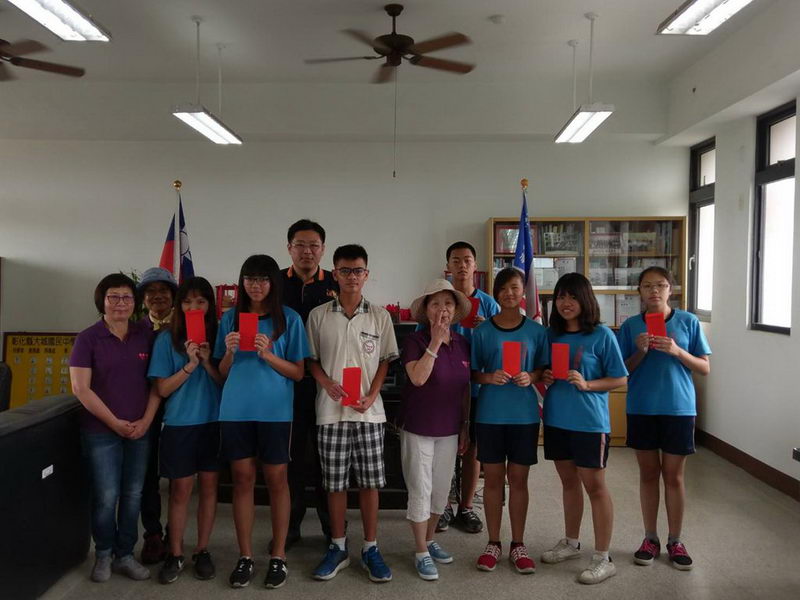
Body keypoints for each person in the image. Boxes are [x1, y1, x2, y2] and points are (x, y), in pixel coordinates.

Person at [213, 255, 309, 589]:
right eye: (250, 278)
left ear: (273, 282)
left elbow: (298, 373)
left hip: (275, 412)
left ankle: (278, 555)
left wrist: (268, 354)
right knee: (242, 480)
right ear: (242, 282)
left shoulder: (289, 319)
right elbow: (221, 373)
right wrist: (229, 352)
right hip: (235, 410)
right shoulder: (230, 319)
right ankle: (245, 556)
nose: (256, 285)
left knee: (277, 480)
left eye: (263, 278)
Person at [306, 244, 399, 583]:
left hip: (368, 414)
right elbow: (311, 360)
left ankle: (371, 547)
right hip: (330, 413)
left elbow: (385, 360)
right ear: (335, 274)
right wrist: (326, 383)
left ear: (366, 274)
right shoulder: (318, 316)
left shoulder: (379, 316)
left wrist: (372, 394)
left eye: (357, 270)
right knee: (335, 484)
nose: (351, 277)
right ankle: (338, 546)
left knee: (371, 483)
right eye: (345, 271)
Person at [617, 266, 711, 571]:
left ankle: (675, 540)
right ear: (640, 292)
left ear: (671, 289)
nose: (654, 291)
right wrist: (641, 351)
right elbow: (621, 371)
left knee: (674, 476)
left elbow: (704, 367)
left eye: (660, 285)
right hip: (642, 407)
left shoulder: (688, 321)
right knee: (648, 475)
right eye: (647, 286)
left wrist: (677, 350)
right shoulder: (630, 326)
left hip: (678, 408)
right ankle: (650, 538)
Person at [69, 273, 161, 583]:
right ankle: (104, 554)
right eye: (113, 297)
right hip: (100, 431)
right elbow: (81, 389)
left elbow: (156, 385)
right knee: (106, 495)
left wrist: (146, 421)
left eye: (126, 297)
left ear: (135, 303)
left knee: (133, 494)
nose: (121, 303)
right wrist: (114, 423)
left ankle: (125, 554)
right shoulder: (88, 338)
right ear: (102, 301)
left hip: (140, 430)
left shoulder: (145, 335)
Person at [539, 273, 628, 585]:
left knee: (595, 487)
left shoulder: (601, 335)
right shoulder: (551, 335)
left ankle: (603, 557)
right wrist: (545, 376)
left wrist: (588, 384)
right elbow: (542, 370)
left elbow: (620, 378)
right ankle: (571, 542)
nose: (566, 303)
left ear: (585, 300)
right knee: (568, 483)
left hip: (590, 423)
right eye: (561, 297)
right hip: (556, 419)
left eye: (573, 297)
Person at [470, 267, 549, 574]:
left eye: (515, 288)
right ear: (496, 294)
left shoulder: (536, 332)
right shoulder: (483, 332)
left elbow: (544, 369)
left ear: (523, 292)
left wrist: (532, 376)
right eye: (503, 289)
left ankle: (518, 543)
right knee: (492, 479)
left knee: (518, 479)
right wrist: (489, 377)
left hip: (524, 415)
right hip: (490, 414)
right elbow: (473, 372)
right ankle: (493, 542)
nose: (509, 294)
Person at [147, 277, 223, 584]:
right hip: (180, 423)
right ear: (179, 306)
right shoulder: (167, 339)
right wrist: (189, 365)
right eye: (188, 302)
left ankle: (202, 550)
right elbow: (162, 389)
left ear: (210, 306)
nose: (194, 307)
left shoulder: (219, 335)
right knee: (179, 490)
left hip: (214, 423)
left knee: (209, 488)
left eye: (201, 302)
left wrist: (206, 362)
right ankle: (175, 552)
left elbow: (226, 383)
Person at [401, 279, 472, 580]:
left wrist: (465, 425)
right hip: (419, 427)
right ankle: (420, 551)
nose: (442, 309)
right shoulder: (414, 342)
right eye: (436, 304)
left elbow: (465, 389)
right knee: (420, 489)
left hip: (450, 429)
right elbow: (418, 378)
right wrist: (434, 343)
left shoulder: (463, 343)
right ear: (426, 310)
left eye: (448, 303)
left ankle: (430, 540)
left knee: (441, 492)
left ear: (455, 310)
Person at [281, 219, 339, 549]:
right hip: (286, 384)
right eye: (300, 245)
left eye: (314, 245)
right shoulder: (275, 282)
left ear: (323, 249)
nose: (307, 251)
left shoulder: (335, 282)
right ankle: (291, 524)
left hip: (326, 384)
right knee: (291, 458)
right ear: (289, 248)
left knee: (326, 457)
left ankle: (332, 526)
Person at [437, 241, 499, 534]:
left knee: (472, 449)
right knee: (446, 447)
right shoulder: (441, 300)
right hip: (447, 388)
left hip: (478, 388)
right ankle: (444, 505)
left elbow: (502, 345)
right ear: (448, 266)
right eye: (456, 260)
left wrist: (488, 329)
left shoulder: (489, 304)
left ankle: (466, 506)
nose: (462, 265)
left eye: (467, 260)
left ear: (475, 266)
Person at [137, 266, 178, 565]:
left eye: (163, 290)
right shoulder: (135, 330)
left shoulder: (187, 326)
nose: (157, 296)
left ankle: (176, 533)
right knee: (147, 473)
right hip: (145, 410)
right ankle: (152, 533)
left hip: (181, 408)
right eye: (150, 291)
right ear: (143, 299)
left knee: (180, 474)